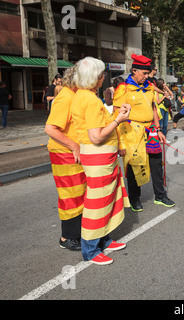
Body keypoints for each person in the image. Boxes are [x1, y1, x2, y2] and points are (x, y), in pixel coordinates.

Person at [71, 57, 131, 266]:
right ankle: (91, 249)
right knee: (97, 203)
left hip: (100, 156)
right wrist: (118, 120)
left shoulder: (83, 96)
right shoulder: (89, 100)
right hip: (98, 156)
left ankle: (102, 240)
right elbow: (96, 136)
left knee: (105, 199)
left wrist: (115, 114)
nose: (103, 78)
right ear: (94, 78)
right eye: (101, 75)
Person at [113, 54, 175, 212]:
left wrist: (158, 129)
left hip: (151, 131)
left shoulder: (148, 87)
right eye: (144, 74)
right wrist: (119, 142)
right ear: (134, 71)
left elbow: (153, 108)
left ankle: (160, 195)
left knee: (156, 164)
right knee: (134, 166)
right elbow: (116, 114)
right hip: (132, 134)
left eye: (148, 74)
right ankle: (134, 198)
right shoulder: (123, 89)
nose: (147, 77)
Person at [44, 66, 84, 251]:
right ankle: (67, 237)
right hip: (64, 152)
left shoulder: (74, 95)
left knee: (79, 193)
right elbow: (51, 128)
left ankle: (76, 233)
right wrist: (74, 145)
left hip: (72, 152)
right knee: (70, 194)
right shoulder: (66, 97)